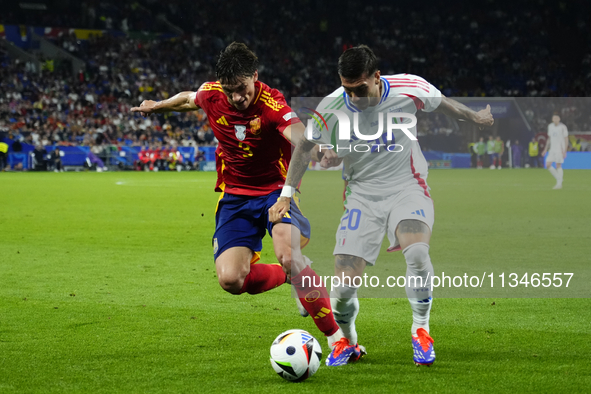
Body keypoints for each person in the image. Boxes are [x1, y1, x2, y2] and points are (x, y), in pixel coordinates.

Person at [269, 45, 494, 367]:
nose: (353, 97)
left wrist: (474, 116)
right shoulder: (332, 106)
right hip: (362, 194)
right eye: (347, 89)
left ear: (376, 77)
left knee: (416, 251)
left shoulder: (409, 87)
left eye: (360, 89)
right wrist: (289, 191)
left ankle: (421, 329)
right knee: (344, 287)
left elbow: (443, 105)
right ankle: (347, 342)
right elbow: (306, 148)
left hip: (408, 186)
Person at [130, 42, 342, 344]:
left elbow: (302, 140)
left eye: (242, 88)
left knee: (288, 255)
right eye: (230, 91)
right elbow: (189, 98)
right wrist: (159, 105)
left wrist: (318, 153)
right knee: (231, 280)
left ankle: (338, 339)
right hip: (235, 195)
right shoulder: (213, 94)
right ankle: (290, 277)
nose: (237, 97)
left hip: (274, 191)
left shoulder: (271, 105)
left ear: (254, 76)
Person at [541, 114, 568, 189]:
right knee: (548, 165)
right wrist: (545, 149)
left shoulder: (563, 127)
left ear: (559, 119)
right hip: (552, 149)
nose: (555, 119)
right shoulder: (550, 126)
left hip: (560, 149)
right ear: (552, 119)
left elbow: (566, 139)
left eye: (557, 118)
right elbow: (549, 138)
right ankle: (559, 179)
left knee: (558, 165)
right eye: (554, 118)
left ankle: (559, 184)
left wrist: (565, 151)